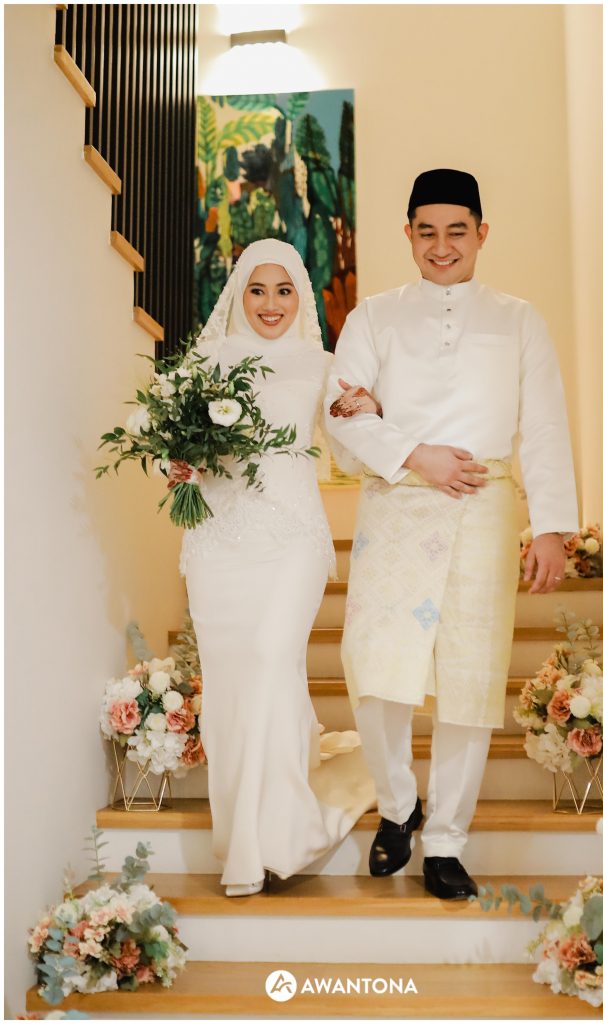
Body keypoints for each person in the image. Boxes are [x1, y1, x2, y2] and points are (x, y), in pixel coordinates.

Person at [325, 168, 579, 900]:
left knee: (469, 677)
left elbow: (544, 425)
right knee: (373, 665)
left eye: (456, 231)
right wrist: (415, 454)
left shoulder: (518, 319)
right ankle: (397, 805)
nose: (442, 246)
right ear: (408, 235)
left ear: (481, 233)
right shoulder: (373, 316)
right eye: (427, 231)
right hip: (396, 501)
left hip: (483, 503)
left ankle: (445, 841)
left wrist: (551, 526)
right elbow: (342, 412)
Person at [180, 238, 375, 896]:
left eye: (284, 290)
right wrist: (176, 466)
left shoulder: (322, 364)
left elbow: (350, 454)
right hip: (217, 540)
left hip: (292, 538)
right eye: (258, 290)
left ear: (301, 297)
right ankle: (245, 838)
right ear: (238, 294)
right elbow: (175, 450)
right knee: (231, 683)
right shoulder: (204, 363)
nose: (271, 303)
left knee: (269, 658)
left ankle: (279, 835)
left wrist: (371, 413)